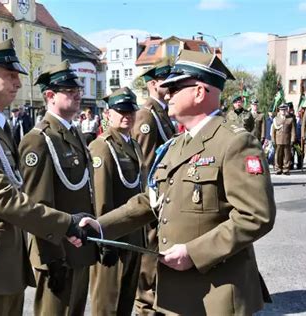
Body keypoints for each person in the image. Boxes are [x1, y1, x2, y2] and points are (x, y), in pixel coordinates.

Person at [77, 50, 276, 315]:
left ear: (199, 92)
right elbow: (152, 200)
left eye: (175, 86)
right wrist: (101, 227)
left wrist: (194, 253)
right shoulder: (176, 144)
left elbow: (256, 216)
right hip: (174, 292)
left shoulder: (235, 142)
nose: (166, 92)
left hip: (216, 294)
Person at [0, 39, 92, 316]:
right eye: (11, 76)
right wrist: (64, 224)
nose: (18, 84)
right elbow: (2, 198)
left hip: (4, 268)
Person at [19, 60, 99, 316]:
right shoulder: (38, 140)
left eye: (78, 90)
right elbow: (37, 204)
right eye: (69, 91)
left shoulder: (73, 134)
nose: (78, 94)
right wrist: (53, 257)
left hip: (81, 246)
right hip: (59, 252)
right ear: (50, 96)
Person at [88, 87, 144, 316]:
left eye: (130, 111)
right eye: (120, 111)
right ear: (108, 113)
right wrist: (104, 240)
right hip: (113, 239)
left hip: (133, 235)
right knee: (107, 304)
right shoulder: (102, 146)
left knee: (126, 301)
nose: (126, 116)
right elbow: (101, 198)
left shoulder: (133, 144)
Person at [131, 57, 176, 315]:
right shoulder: (147, 114)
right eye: (166, 82)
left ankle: (155, 298)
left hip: (165, 194)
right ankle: (146, 305)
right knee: (150, 250)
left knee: (158, 248)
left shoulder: (162, 112)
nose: (171, 87)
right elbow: (147, 163)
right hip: (155, 196)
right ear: (153, 83)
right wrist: (153, 198)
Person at [272, 103, 296, 175]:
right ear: (279, 110)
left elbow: (293, 131)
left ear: (286, 110)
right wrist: (273, 140)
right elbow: (273, 131)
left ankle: (286, 169)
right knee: (278, 155)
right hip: (278, 140)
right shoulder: (276, 119)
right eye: (281, 110)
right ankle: (278, 168)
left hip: (287, 140)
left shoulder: (290, 119)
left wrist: (292, 140)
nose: (283, 111)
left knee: (287, 155)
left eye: (284, 109)